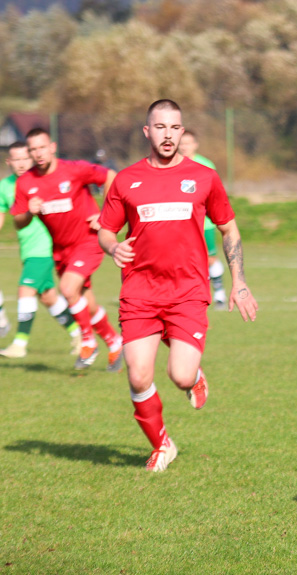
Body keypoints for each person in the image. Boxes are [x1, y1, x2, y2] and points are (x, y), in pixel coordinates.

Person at [98, 99, 258, 472]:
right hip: (138, 291)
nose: (168, 135)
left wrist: (240, 283)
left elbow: (228, 227)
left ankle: (193, 376)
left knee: (180, 375)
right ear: (147, 131)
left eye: (175, 128)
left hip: (187, 291)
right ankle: (161, 443)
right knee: (138, 375)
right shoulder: (126, 179)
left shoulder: (204, 177)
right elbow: (106, 230)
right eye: (161, 127)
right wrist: (112, 247)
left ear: (182, 132)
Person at [10, 128, 122, 370]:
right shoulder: (26, 182)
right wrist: (30, 211)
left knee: (67, 288)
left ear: (52, 147)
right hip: (61, 250)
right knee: (85, 302)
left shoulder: (74, 169)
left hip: (89, 241)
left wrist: (106, 214)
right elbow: (19, 221)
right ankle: (115, 342)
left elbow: (112, 176)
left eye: (41, 148)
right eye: (33, 150)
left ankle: (88, 342)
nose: (38, 154)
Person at [0, 142, 81, 358]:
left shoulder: (42, 180)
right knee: (48, 297)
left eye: (25, 158)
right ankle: (79, 333)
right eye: (16, 159)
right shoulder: (5, 186)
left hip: (45, 247)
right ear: (9, 162)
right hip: (27, 250)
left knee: (25, 290)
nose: (21, 163)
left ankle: (19, 343)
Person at [179, 130, 227, 310]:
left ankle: (220, 294)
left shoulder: (206, 165)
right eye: (181, 143)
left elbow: (215, 194)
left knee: (209, 259)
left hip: (204, 223)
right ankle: (191, 296)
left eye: (188, 143)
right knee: (184, 260)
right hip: (182, 223)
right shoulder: (172, 165)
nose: (184, 146)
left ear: (195, 145)